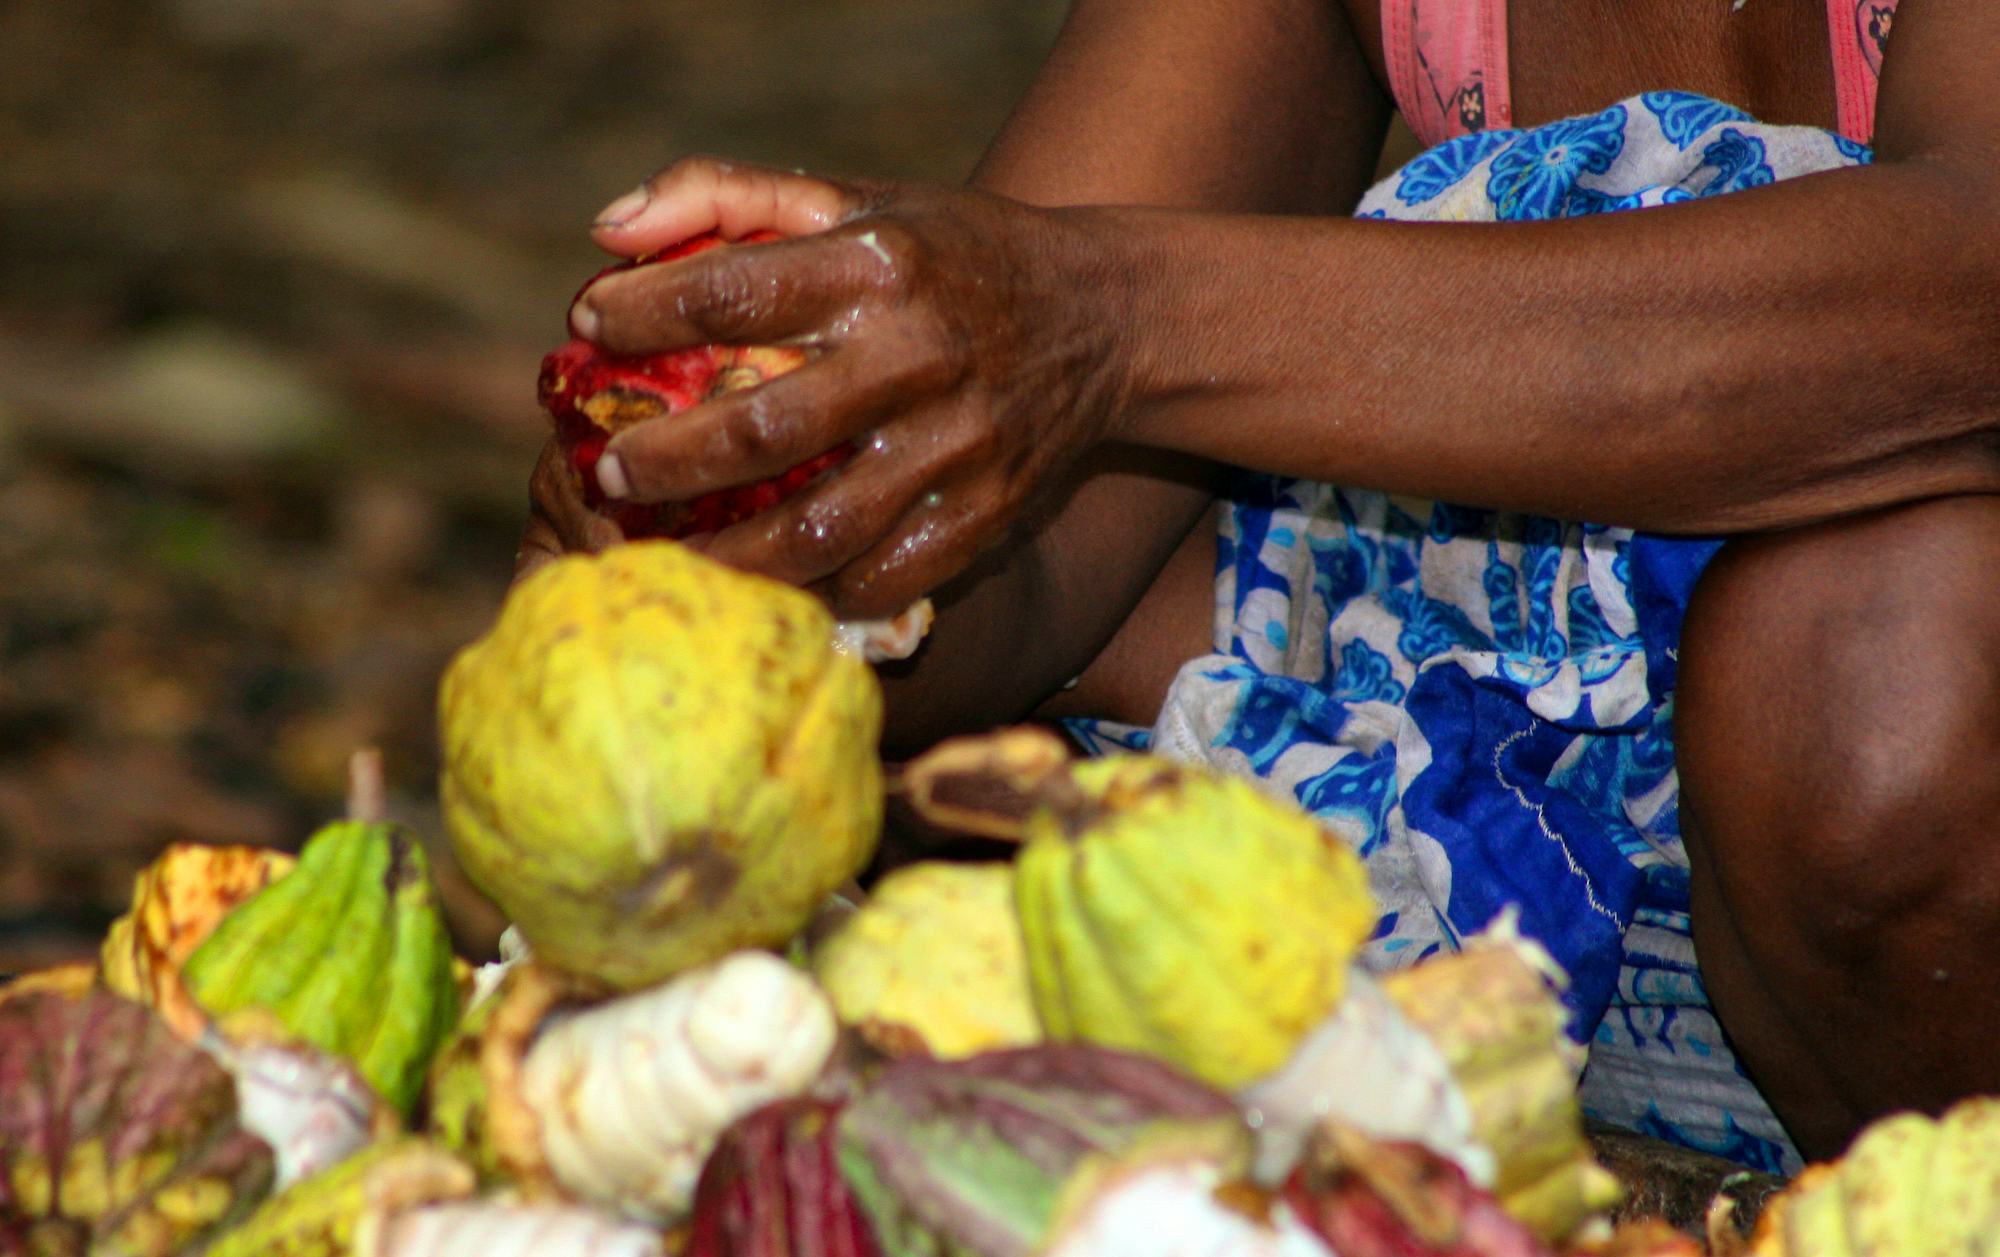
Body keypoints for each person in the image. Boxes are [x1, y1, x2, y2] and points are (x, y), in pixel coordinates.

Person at [518, 0, 1999, 1169]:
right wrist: (785, 507)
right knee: (991, 787)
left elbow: (1969, 295)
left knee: (1871, 674)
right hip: (1572, 840)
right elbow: (1035, 548)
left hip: (1898, 781)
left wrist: (1101, 316)